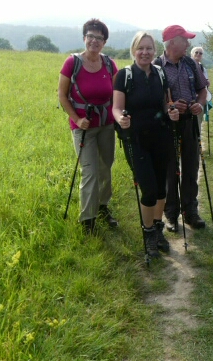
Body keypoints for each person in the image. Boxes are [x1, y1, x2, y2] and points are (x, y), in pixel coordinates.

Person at [112, 32, 179, 258]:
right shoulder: (124, 75)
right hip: (136, 140)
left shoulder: (160, 73)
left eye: (149, 48)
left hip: (161, 137)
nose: (145, 52)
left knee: (162, 188)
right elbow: (116, 107)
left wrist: (172, 111)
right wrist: (121, 118)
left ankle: (158, 228)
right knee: (149, 189)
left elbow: (166, 102)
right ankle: (148, 232)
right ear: (133, 50)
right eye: (141, 48)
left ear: (154, 50)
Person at [58, 18, 119, 233]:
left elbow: (118, 94)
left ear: (104, 42)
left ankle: (102, 207)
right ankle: (88, 218)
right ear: (84, 38)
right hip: (83, 128)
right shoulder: (72, 63)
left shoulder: (110, 64)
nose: (94, 40)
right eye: (90, 36)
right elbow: (62, 95)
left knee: (105, 168)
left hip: (107, 125)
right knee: (90, 171)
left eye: (99, 38)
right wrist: (76, 118)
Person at [155, 25, 209, 232]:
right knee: (170, 169)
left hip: (189, 122)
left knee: (191, 165)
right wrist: (169, 106)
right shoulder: (157, 66)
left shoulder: (190, 63)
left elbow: (202, 89)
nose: (188, 44)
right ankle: (171, 214)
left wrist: (200, 104)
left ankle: (190, 211)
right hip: (167, 124)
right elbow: (152, 98)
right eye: (184, 40)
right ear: (171, 43)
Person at [191, 46, 212, 135]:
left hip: (201, 99)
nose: (198, 54)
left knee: (199, 122)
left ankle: (198, 145)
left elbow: (205, 84)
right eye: (196, 52)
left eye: (200, 53)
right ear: (192, 54)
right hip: (190, 99)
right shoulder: (187, 67)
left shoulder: (203, 69)